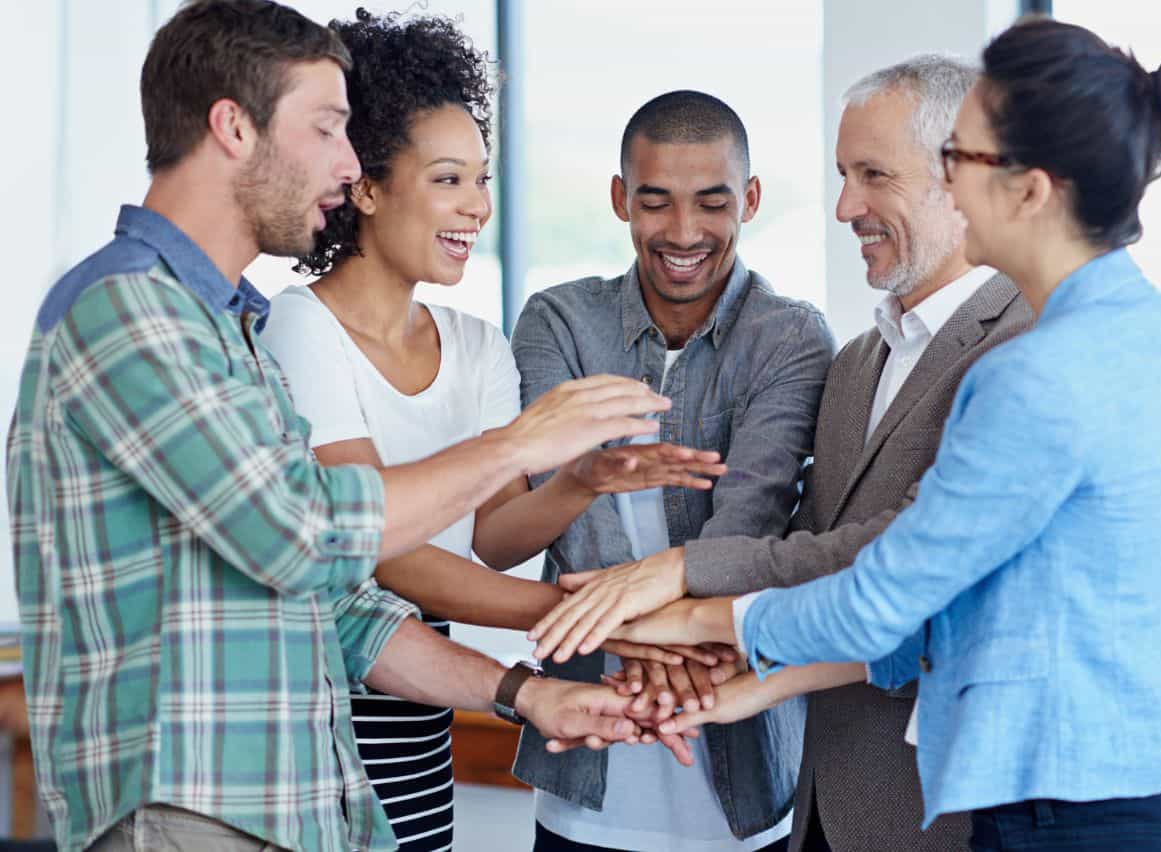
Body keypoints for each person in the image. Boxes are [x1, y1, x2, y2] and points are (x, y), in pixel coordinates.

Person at [546, 17, 1161, 852]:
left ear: (1029, 189)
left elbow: (889, 595)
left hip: (1084, 818)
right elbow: (967, 607)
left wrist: (693, 618)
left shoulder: (1038, 372)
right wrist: (756, 681)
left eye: (960, 161)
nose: (952, 185)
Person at [5, 2, 668, 850]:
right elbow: (307, 532)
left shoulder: (228, 333)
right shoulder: (128, 310)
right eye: (326, 128)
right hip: (187, 814)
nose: (350, 161)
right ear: (233, 128)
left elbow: (341, 605)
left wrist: (527, 694)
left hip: (299, 811)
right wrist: (517, 445)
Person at [532, 55, 1034, 851]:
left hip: (949, 812)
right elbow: (811, 544)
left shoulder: (1026, 345)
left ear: (959, 177)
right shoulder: (859, 359)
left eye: (872, 175)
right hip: (820, 804)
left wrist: (684, 586)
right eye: (843, 175)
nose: (844, 207)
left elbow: (906, 561)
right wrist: (726, 660)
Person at [259, 11, 726, 851]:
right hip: (324, 703)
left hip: (423, 704)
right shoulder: (300, 329)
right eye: (449, 179)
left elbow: (496, 539)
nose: (477, 206)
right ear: (365, 187)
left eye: (481, 179)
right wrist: (602, 620)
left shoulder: (475, 344)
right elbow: (375, 549)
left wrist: (582, 480)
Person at [511, 90, 837, 851]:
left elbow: (748, 525)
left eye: (712, 203)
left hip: (747, 772)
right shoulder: (557, 321)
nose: (684, 233)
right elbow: (571, 516)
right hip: (587, 766)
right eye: (656, 202)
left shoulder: (792, 336)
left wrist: (651, 632)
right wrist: (661, 640)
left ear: (749, 200)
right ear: (621, 198)